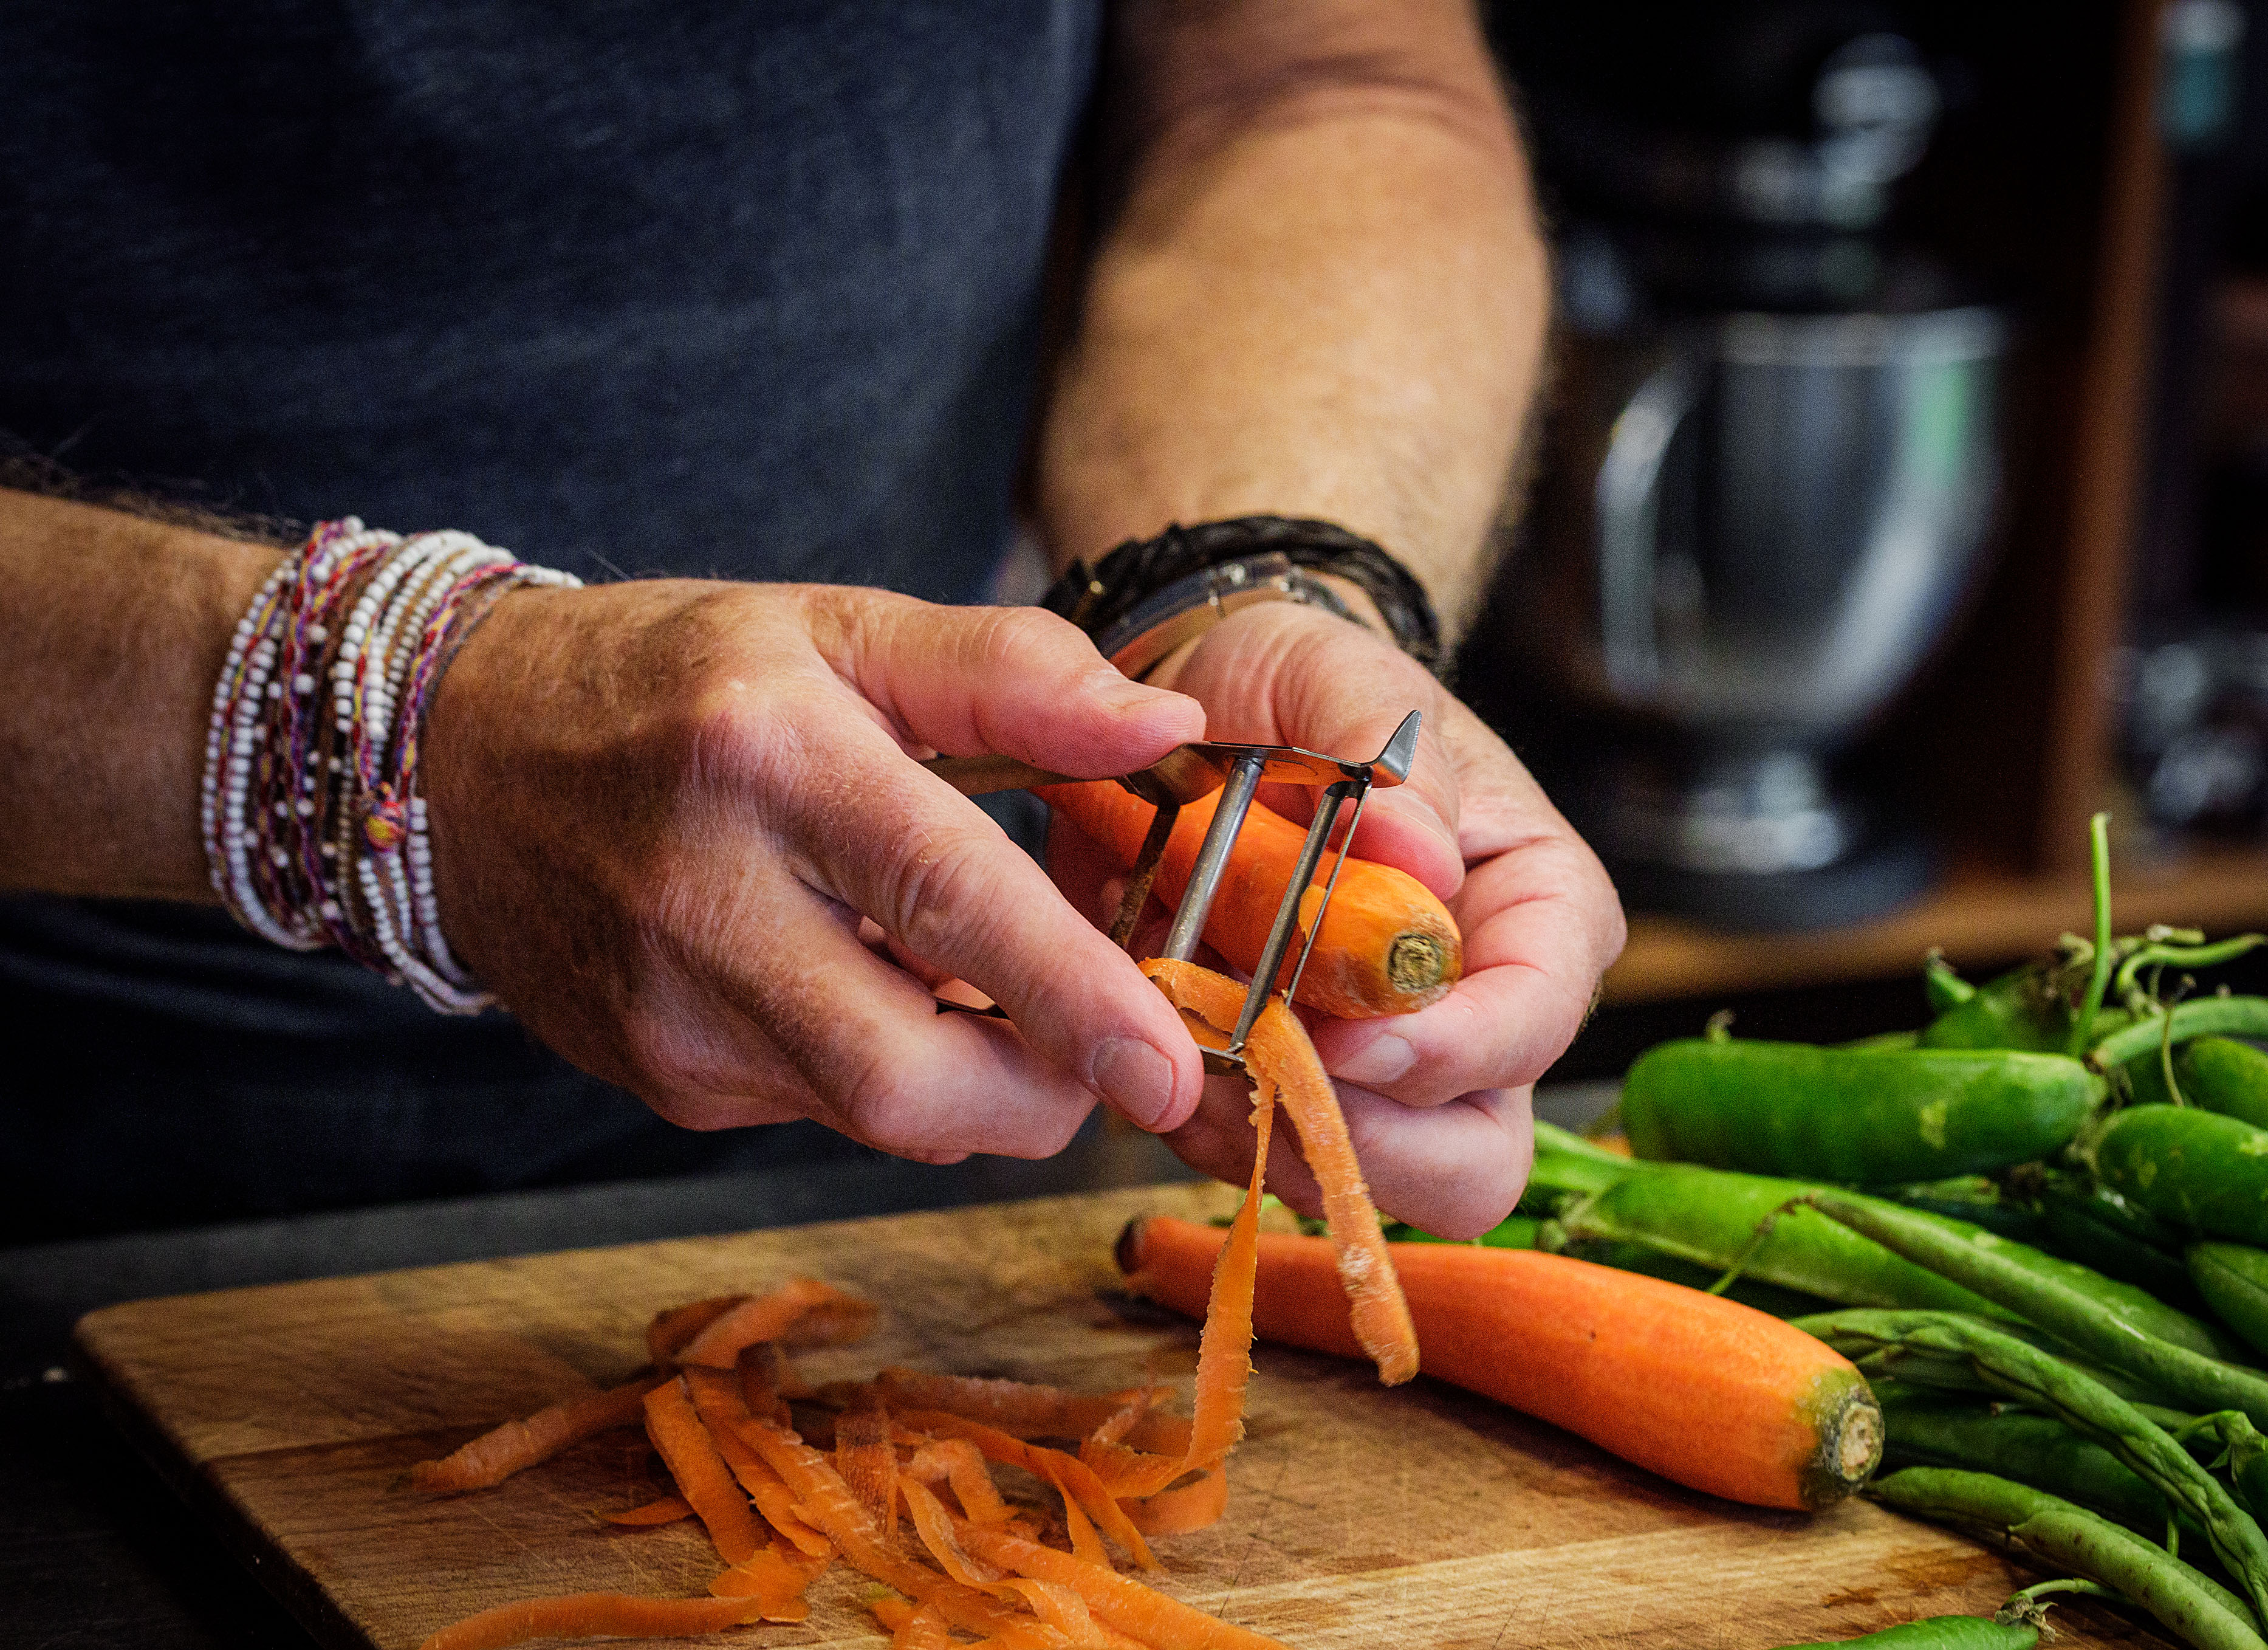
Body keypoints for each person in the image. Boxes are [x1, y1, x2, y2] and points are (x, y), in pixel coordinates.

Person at [0, 1, 1623, 1242]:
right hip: (57, 1069)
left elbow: (1319, 79)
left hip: (908, 1043)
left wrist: (1256, 582)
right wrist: (380, 725)